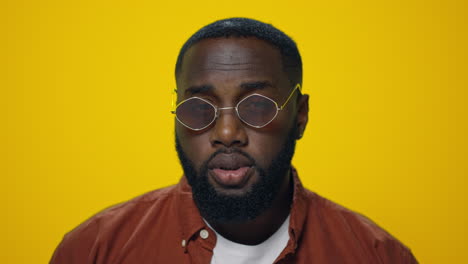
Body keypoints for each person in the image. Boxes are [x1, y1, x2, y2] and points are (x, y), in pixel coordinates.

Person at [50, 17, 418, 264]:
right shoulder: (94, 250)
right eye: (198, 107)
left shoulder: (376, 255)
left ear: (300, 115)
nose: (227, 134)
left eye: (257, 106)